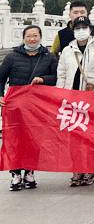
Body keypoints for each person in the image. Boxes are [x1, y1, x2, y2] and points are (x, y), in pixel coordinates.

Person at [0, 25, 57, 191]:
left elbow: (55, 78)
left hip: (37, 107)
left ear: (40, 37)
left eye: (35, 36)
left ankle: (30, 173)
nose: (32, 39)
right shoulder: (12, 57)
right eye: (29, 36)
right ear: (23, 38)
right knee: (14, 140)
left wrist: (43, 79)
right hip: (15, 106)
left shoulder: (49, 57)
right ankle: (15, 174)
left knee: (34, 139)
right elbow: (1, 78)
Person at [56, 16, 94, 187]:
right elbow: (61, 73)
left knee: (90, 135)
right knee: (74, 136)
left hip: (92, 98)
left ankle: (89, 169)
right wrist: (60, 95)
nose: (80, 31)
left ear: (90, 30)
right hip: (72, 99)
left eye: (83, 27)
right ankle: (76, 170)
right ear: (73, 31)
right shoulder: (67, 50)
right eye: (77, 28)